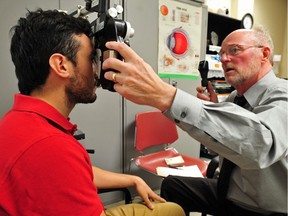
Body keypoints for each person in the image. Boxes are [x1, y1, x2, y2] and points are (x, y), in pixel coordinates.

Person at [0, 9, 186, 216]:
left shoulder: (18, 120)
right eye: (90, 59)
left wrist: (132, 179)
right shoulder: (51, 146)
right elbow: (60, 165)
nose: (97, 70)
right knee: (174, 212)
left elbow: (73, 173)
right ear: (61, 65)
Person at [102, 26, 288, 215]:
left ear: (264, 54)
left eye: (234, 50)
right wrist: (215, 112)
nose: (224, 59)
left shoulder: (283, 94)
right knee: (172, 185)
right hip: (230, 192)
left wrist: (165, 96)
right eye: (221, 54)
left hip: (261, 209)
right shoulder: (234, 98)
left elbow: (261, 145)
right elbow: (225, 148)